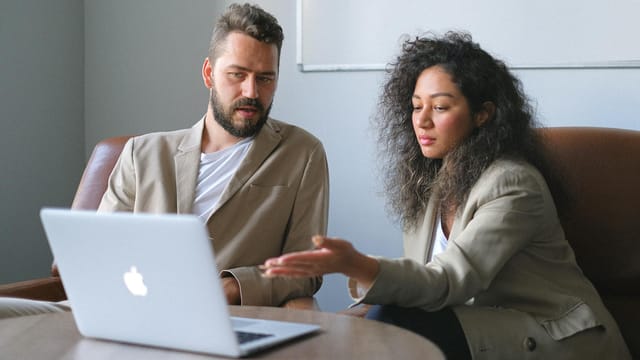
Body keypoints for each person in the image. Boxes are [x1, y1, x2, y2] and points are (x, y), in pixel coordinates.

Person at [262, 32, 631, 359]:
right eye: (416, 106)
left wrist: (356, 264)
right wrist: (331, 326)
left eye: (439, 107)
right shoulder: (431, 182)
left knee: (393, 322)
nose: (422, 120)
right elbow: (419, 288)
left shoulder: (514, 185)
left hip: (557, 337)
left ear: (483, 114)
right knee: (359, 329)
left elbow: (448, 282)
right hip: (478, 328)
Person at [0, 3, 328, 318]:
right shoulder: (142, 153)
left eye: (265, 78)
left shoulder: (301, 153)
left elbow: (307, 269)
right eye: (237, 74)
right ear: (209, 74)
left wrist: (228, 288)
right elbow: (99, 250)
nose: (251, 91)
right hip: (115, 308)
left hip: (220, 318)